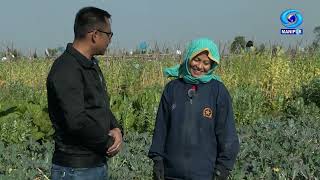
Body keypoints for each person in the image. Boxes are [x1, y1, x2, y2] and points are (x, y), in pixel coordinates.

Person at [46, 7, 122, 180]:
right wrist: (107, 143)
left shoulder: (90, 65)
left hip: (93, 165)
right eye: (109, 35)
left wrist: (116, 128)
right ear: (95, 34)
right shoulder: (66, 69)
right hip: (76, 169)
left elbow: (99, 104)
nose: (110, 40)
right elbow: (76, 121)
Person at [148, 38, 240, 180]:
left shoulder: (218, 91)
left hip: (205, 173)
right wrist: (158, 159)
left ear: (212, 65)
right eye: (196, 60)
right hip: (172, 172)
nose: (200, 66)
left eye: (206, 63)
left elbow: (227, 133)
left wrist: (223, 167)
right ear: (189, 57)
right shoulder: (172, 89)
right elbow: (161, 127)